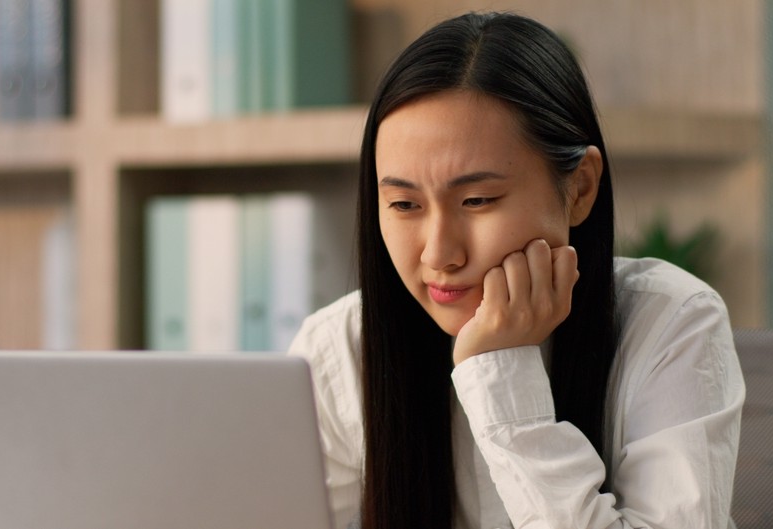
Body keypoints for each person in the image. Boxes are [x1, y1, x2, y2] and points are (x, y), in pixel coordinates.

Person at [288, 11, 744, 529]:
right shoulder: (337, 350)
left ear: (580, 188)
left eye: (478, 200)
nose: (439, 254)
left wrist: (500, 372)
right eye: (404, 205)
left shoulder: (671, 323)